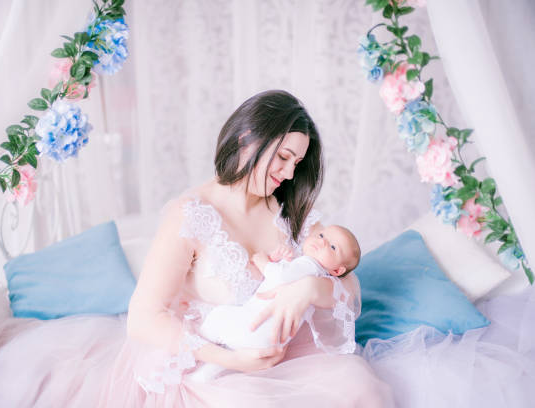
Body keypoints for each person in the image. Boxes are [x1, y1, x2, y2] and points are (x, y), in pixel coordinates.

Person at [97, 90, 394, 407]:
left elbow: (347, 285)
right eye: (283, 157)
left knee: (358, 387)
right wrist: (233, 361)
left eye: (297, 162)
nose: (290, 173)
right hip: (210, 366)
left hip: (284, 358)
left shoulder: (291, 210)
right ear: (247, 138)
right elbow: (143, 318)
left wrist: (308, 288)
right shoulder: (191, 215)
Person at [190, 224, 362, 382]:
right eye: (322, 235)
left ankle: (196, 344)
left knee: (218, 316)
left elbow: (279, 276)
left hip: (254, 324)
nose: (322, 242)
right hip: (270, 341)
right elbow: (285, 278)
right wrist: (280, 261)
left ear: (337, 270)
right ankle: (204, 375)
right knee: (231, 350)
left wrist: (263, 261)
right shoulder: (316, 275)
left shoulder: (309, 264)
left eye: (333, 247)